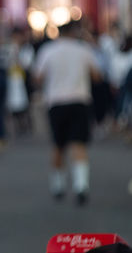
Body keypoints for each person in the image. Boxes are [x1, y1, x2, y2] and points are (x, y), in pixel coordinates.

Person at [34, 21, 100, 206]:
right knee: (78, 143)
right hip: (79, 100)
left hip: (56, 102)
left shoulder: (48, 51)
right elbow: (97, 75)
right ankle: (81, 185)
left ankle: (58, 185)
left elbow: (38, 77)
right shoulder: (83, 50)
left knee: (58, 144)